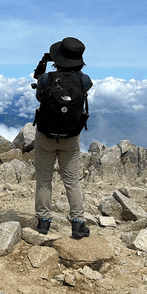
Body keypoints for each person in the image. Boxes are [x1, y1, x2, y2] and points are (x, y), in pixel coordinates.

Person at [32, 37, 92, 239]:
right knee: (72, 181)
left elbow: (40, 97)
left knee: (44, 180)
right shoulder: (84, 81)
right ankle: (77, 222)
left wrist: (43, 69)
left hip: (45, 136)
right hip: (70, 138)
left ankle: (43, 222)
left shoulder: (46, 79)